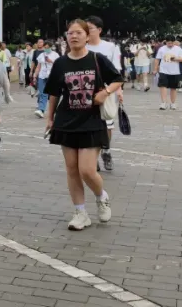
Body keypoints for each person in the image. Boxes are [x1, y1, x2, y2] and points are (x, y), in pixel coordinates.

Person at [43, 19, 123, 231]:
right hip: (66, 121)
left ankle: (101, 196)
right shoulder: (61, 63)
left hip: (92, 121)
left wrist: (106, 92)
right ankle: (80, 213)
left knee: (87, 170)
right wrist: (50, 117)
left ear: (87, 36)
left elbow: (118, 79)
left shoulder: (97, 58)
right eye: (70, 33)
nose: (74, 36)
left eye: (78, 32)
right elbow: (54, 93)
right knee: (72, 169)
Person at [85, 16, 123, 172]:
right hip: (86, 91)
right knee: (88, 125)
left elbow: (116, 71)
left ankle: (106, 150)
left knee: (107, 123)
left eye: (90, 28)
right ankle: (92, 157)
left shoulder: (110, 47)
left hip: (106, 91)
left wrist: (118, 90)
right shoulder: (82, 47)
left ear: (99, 30)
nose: (87, 31)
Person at [154, 36, 182, 110]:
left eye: (171, 43)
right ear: (166, 42)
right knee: (163, 86)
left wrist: (175, 58)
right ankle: (163, 103)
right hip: (163, 71)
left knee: (173, 88)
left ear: (174, 42)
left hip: (175, 71)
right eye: (168, 43)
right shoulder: (162, 49)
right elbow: (157, 59)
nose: (170, 44)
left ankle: (173, 103)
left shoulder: (178, 49)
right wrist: (155, 69)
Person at [33, 40, 57, 118]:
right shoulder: (41, 55)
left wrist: (51, 61)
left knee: (53, 94)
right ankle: (41, 110)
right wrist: (35, 75)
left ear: (51, 47)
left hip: (52, 76)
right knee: (42, 93)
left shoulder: (55, 55)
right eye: (45, 47)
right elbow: (38, 66)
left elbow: (58, 66)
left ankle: (54, 110)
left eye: (48, 47)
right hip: (42, 76)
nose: (46, 49)